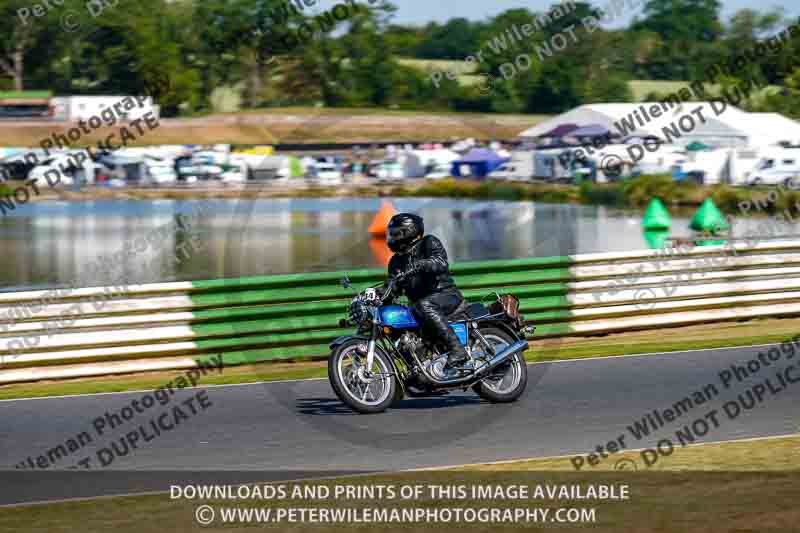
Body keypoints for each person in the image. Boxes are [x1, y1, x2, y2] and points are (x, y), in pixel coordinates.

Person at [385, 213, 470, 372]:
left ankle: (458, 350)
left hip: (446, 295)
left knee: (424, 305)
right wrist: (375, 295)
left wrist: (419, 264)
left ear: (409, 231)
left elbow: (440, 262)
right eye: (391, 233)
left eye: (397, 233)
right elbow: (392, 287)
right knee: (396, 319)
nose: (393, 237)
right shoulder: (396, 261)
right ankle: (417, 367)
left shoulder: (428, 242)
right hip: (419, 305)